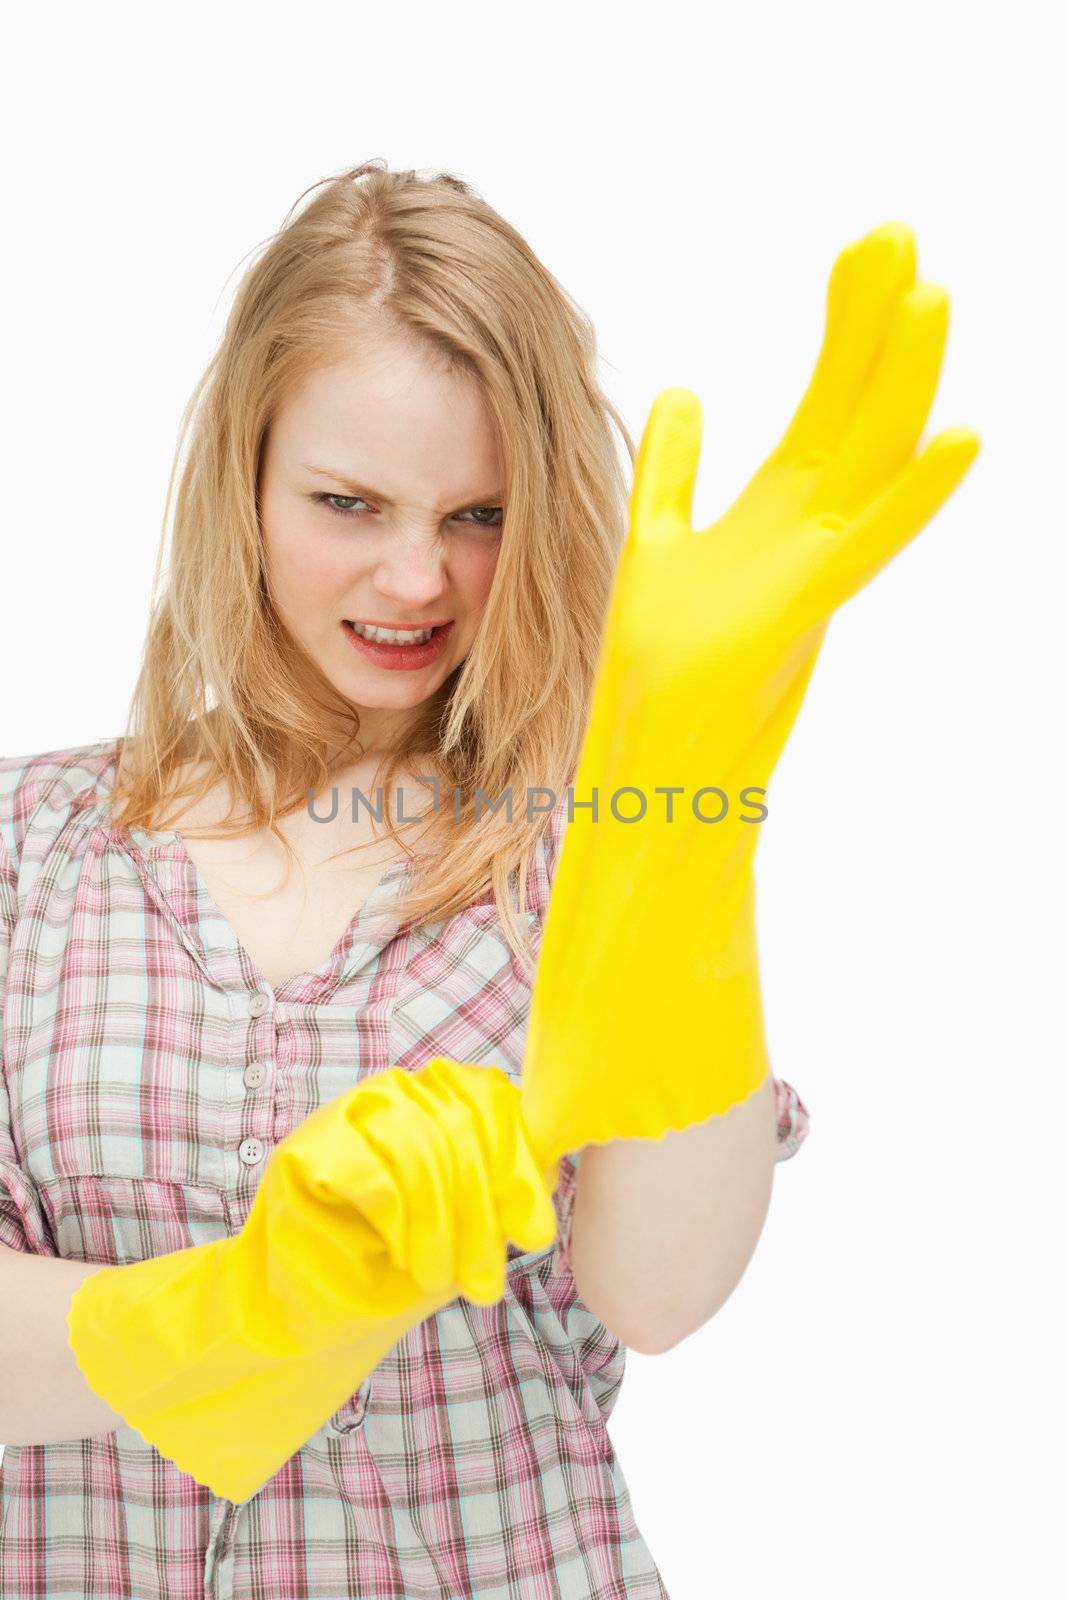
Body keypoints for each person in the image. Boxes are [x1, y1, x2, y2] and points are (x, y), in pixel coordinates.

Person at [0, 159, 809, 1598]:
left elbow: (660, 1293)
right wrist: (247, 1306)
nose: (418, 579)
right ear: (242, 478)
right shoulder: (30, 849)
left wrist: (692, 812)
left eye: (479, 517)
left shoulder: (586, 861)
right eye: (351, 503)